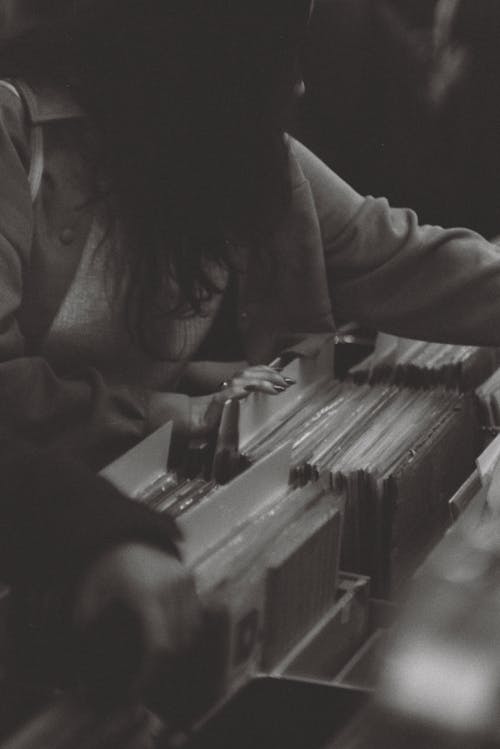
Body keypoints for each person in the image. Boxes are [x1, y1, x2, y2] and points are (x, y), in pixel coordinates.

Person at [2, 0, 500, 473]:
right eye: (275, 52)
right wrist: (179, 414)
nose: (300, 85)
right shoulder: (17, 134)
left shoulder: (238, 150)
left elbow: (400, 257)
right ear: (201, 51)